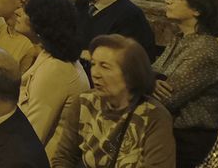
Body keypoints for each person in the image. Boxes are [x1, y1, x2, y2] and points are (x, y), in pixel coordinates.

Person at [50, 34, 176, 167]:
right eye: (93, 64)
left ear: (130, 74)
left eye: (105, 66)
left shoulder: (154, 116)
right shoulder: (84, 103)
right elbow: (63, 157)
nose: (95, 73)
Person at [152, 0, 218, 167]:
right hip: (168, 132)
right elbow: (151, 73)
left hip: (189, 142)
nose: (167, 1)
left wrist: (146, 81)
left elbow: (166, 98)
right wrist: (150, 81)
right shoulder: (180, 38)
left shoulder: (205, 50)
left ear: (197, 9)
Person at [17, 0, 88, 145]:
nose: (18, 13)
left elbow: (33, 135)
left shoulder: (56, 69)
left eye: (26, 12)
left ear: (41, 24)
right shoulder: (46, 57)